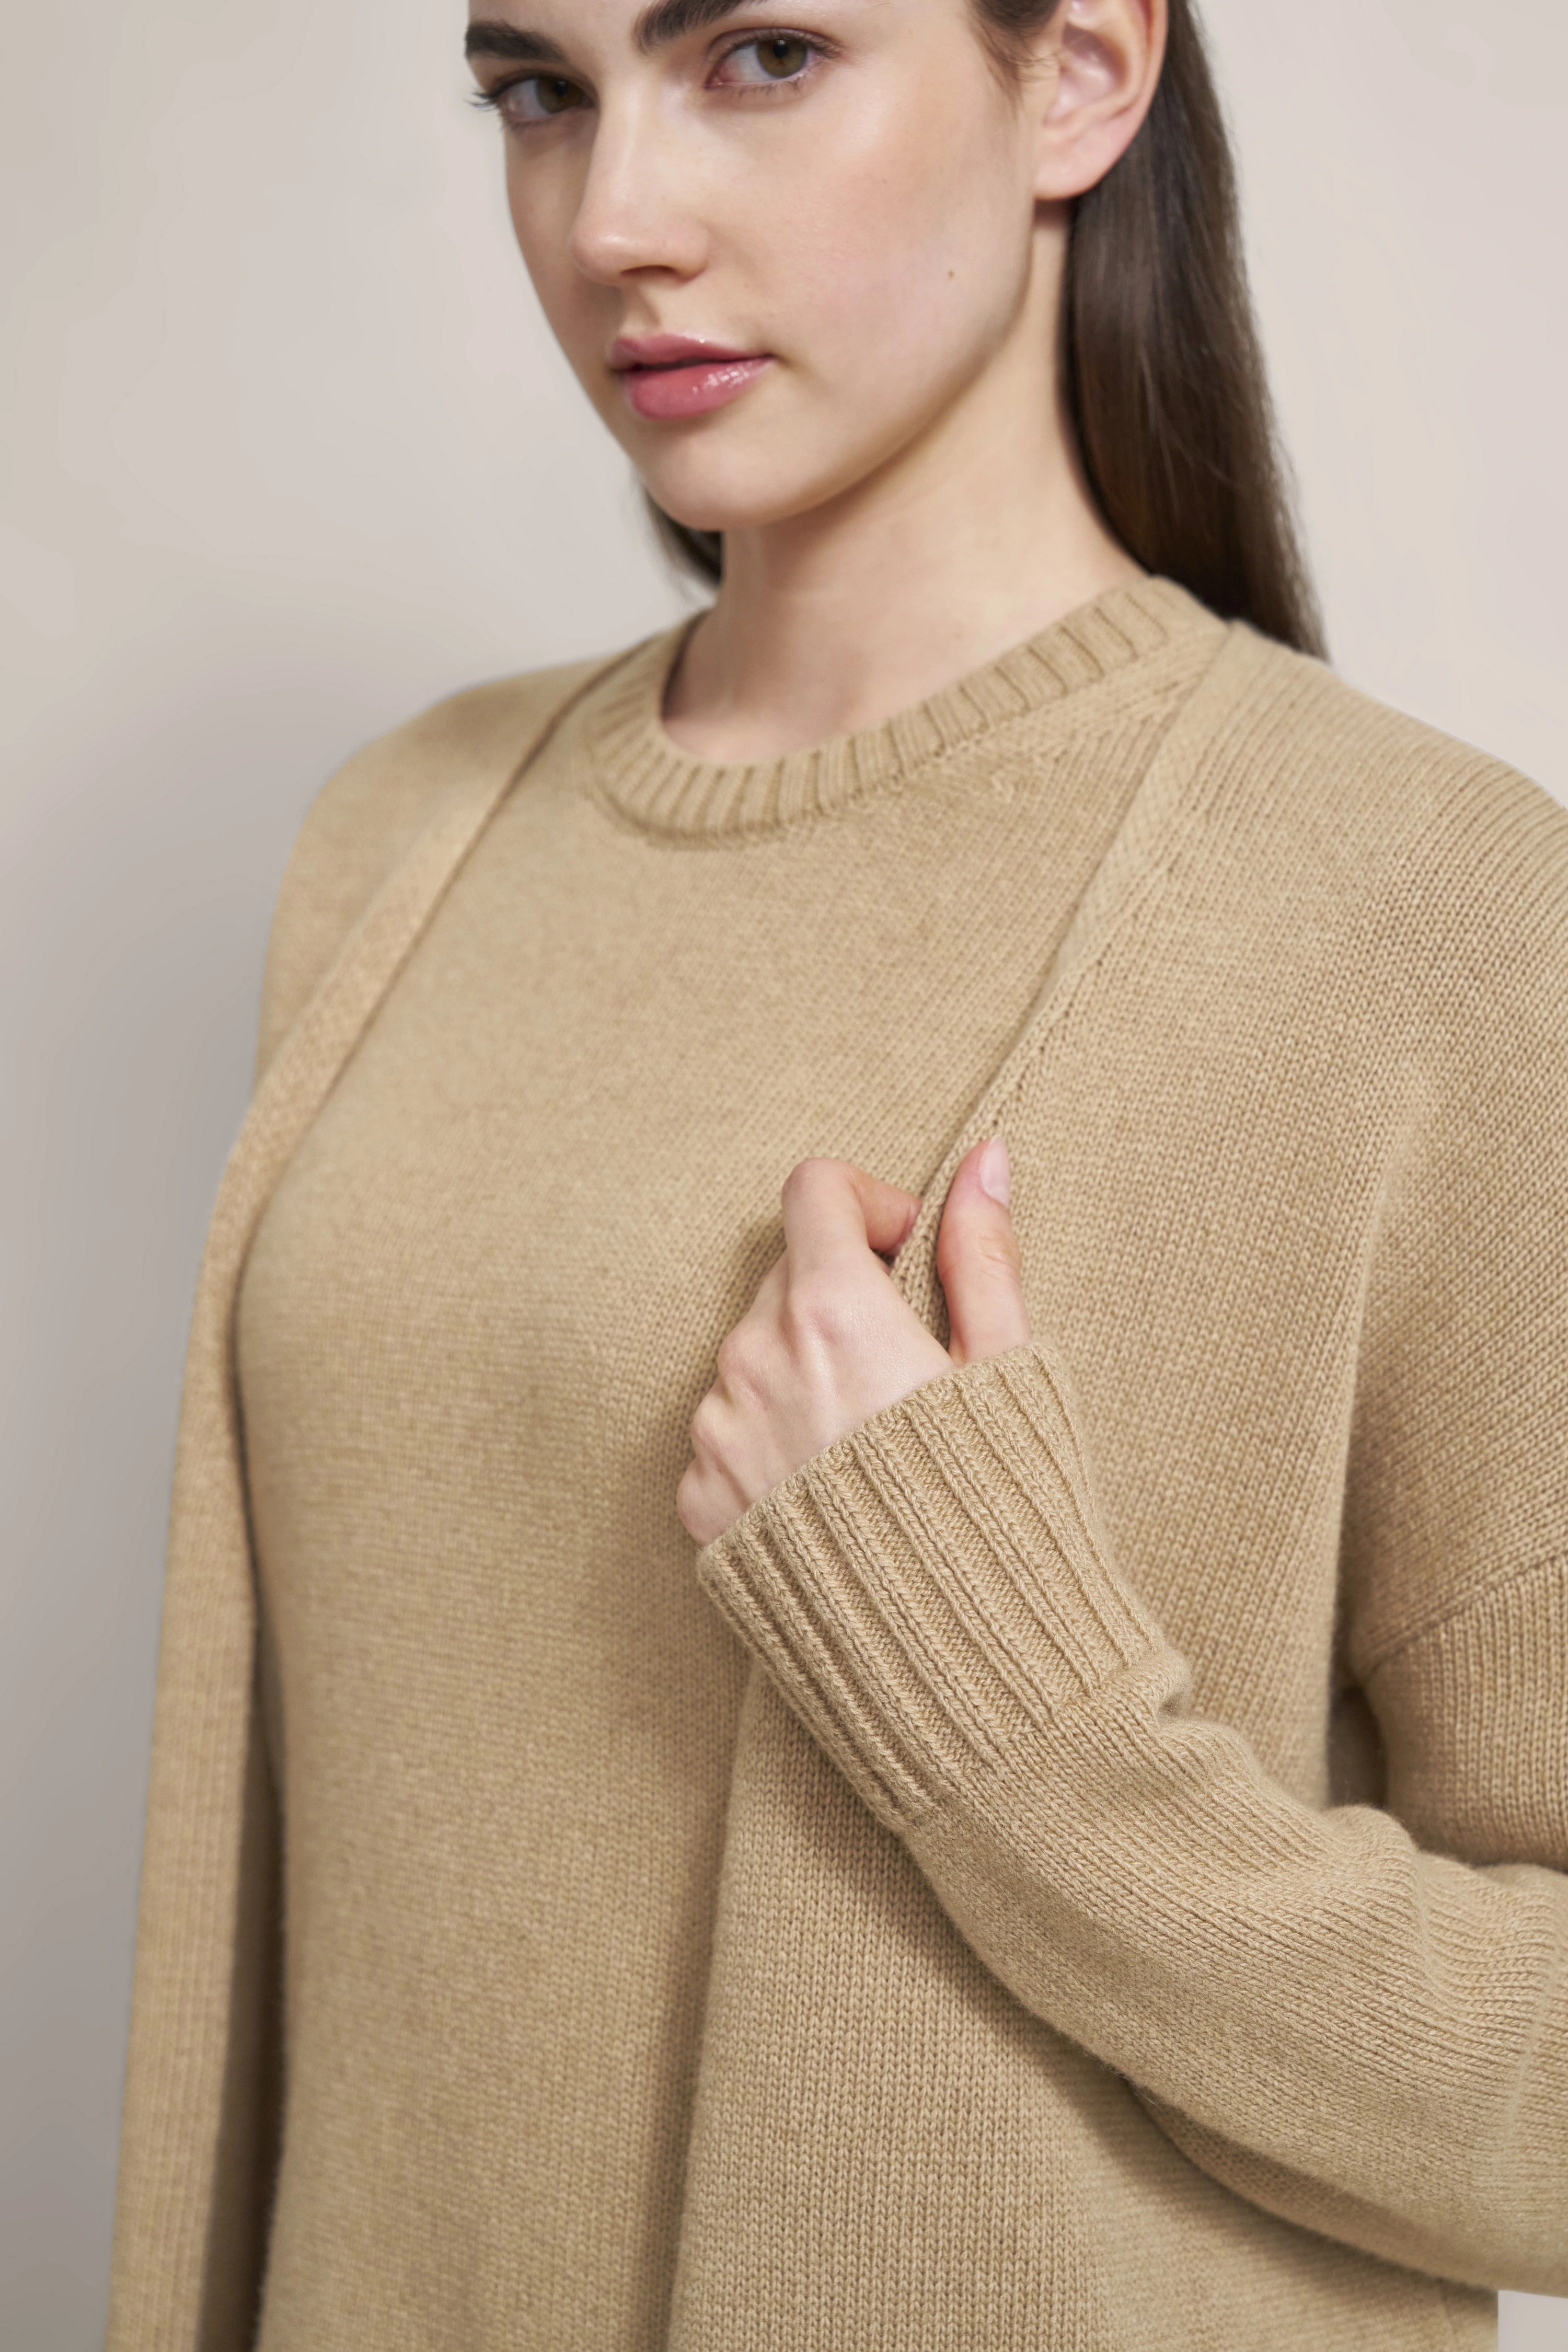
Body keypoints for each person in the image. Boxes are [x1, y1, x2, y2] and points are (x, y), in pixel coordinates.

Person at [106, 0, 1568, 2344]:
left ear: (1082, 72)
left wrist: (1021, 1737)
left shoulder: (1424, 915)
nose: (613, 222)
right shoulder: (401, 840)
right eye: (538, 92)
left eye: (762, 58)